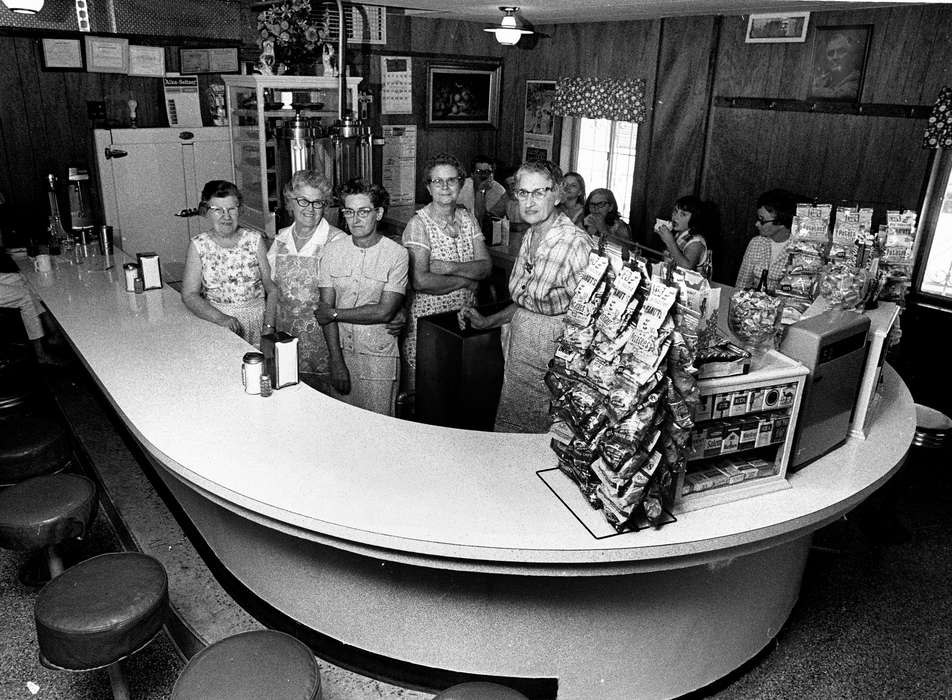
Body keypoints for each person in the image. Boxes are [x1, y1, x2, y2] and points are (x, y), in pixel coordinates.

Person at [461, 161, 594, 434]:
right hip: (521, 350)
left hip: (553, 360)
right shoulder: (532, 234)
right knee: (513, 431)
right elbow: (526, 304)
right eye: (523, 193)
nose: (529, 202)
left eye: (539, 193)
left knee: (543, 439)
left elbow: (592, 317)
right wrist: (488, 322)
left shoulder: (574, 243)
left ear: (557, 194)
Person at [315, 180, 408, 416]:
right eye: (349, 212)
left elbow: (385, 311)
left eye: (364, 211)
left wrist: (336, 314)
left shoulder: (397, 254)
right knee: (344, 427)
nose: (355, 220)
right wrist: (336, 362)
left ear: (379, 213)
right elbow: (325, 310)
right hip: (341, 352)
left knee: (380, 427)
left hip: (379, 355)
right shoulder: (332, 252)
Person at [402, 153, 492, 390]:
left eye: (451, 180)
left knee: (456, 392)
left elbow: (485, 266)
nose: (445, 186)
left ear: (461, 184)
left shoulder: (467, 217)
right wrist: (466, 281)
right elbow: (420, 281)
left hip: (465, 319)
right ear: (428, 187)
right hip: (428, 324)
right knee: (427, 393)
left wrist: (450, 268)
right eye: (437, 181)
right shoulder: (418, 224)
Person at [267, 170, 346, 392]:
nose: (310, 209)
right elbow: (271, 291)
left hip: (323, 344)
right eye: (303, 201)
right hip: (284, 341)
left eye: (317, 202)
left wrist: (337, 358)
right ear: (290, 202)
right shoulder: (280, 239)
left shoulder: (336, 241)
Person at [182, 180, 277, 347]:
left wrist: (269, 328)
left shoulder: (254, 240)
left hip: (257, 322)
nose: (226, 216)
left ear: (239, 210)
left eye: (231, 209)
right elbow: (189, 295)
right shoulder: (199, 245)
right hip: (218, 322)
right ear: (206, 211)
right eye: (218, 210)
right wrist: (221, 318)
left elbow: (272, 288)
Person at [735, 188, 796, 292]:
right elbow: (742, 284)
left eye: (762, 220)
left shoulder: (798, 250)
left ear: (781, 223)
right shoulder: (756, 243)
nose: (756, 224)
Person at [654, 194, 717, 277]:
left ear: (695, 218)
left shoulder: (697, 242)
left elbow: (686, 268)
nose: (675, 216)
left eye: (683, 214)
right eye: (675, 211)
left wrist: (669, 241)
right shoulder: (678, 233)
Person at [811, 31, 863, 99]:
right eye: (831, 53)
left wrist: (815, 90)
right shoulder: (822, 79)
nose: (835, 57)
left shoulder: (857, 81)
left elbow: (841, 95)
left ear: (852, 57)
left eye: (841, 51)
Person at [458, 155, 508, 223]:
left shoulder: (500, 192)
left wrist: (481, 190)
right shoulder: (461, 187)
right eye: (479, 172)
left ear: (493, 174)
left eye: (487, 172)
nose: (483, 176)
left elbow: (482, 219)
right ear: (472, 174)